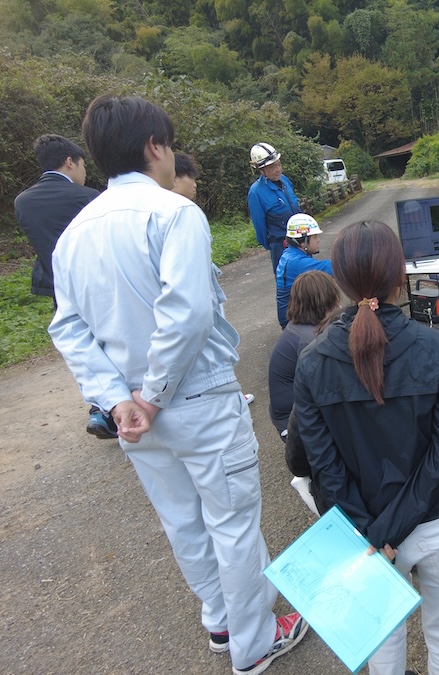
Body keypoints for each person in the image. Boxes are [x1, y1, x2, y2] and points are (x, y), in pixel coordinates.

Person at [49, 94, 308, 675]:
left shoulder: (75, 233)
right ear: (154, 147)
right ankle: (253, 642)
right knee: (233, 524)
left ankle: (221, 619)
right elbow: (187, 313)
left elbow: (67, 327)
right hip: (195, 401)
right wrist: (151, 394)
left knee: (183, 523)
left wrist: (119, 400)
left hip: (136, 420)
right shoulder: (173, 214)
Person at [290, 221, 439, 675]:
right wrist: (395, 524)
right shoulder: (436, 348)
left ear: (340, 279)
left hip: (363, 533)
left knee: (381, 645)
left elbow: (323, 465)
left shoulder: (312, 362)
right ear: (401, 277)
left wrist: (373, 533)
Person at [14, 134, 116, 440]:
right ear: (70, 161)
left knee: (81, 347)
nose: (84, 171)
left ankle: (99, 407)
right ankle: (110, 407)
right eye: (82, 164)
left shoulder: (23, 202)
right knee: (106, 343)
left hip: (58, 287)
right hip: (94, 285)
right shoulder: (87, 197)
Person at [172, 151, 256, 406]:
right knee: (213, 341)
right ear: (173, 178)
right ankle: (227, 394)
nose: (195, 183)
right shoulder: (181, 213)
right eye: (189, 176)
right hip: (198, 302)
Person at [269, 270, 341, 440]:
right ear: (327, 300)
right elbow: (330, 385)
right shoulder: (309, 340)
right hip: (293, 423)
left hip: (292, 411)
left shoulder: (301, 327)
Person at [247, 142, 301, 273]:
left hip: (301, 239)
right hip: (281, 245)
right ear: (261, 170)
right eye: (272, 167)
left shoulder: (284, 180)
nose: (277, 169)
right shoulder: (256, 192)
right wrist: (272, 244)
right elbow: (259, 225)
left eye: (278, 164)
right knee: (288, 283)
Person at [274, 214, 333, 328]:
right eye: (315, 237)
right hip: (296, 321)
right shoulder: (296, 262)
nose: (318, 240)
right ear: (303, 242)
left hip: (294, 314)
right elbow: (334, 267)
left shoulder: (289, 254)